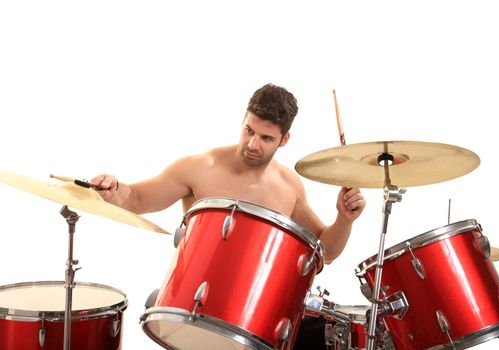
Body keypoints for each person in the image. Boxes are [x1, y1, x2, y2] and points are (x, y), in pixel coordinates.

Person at [91, 83, 366, 349]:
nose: (252, 144)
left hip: (253, 324)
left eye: (266, 138)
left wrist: (344, 219)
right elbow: (136, 198)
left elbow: (325, 252)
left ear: (284, 140)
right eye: (249, 130)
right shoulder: (201, 167)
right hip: (194, 314)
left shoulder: (289, 186)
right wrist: (114, 190)